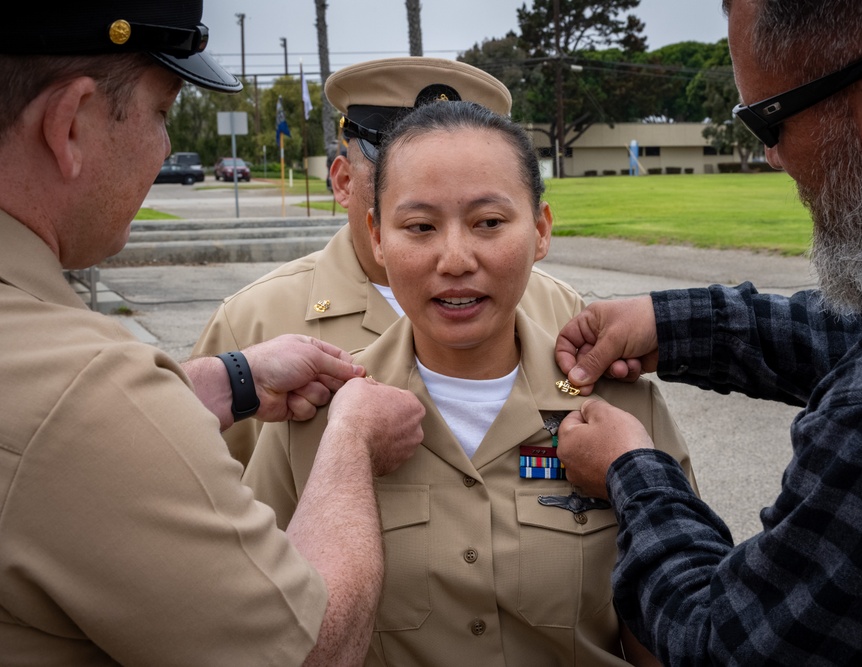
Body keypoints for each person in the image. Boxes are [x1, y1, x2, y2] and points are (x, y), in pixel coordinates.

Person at [553, 0, 862, 664]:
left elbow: (721, 643)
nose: (770, 158)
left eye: (770, 120)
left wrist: (630, 468)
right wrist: (672, 324)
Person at [0, 3, 426, 664]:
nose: (165, 146)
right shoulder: (92, 391)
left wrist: (225, 381)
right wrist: (350, 441)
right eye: (162, 113)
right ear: (71, 122)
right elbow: (311, 649)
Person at [243, 100, 697, 666]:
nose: (455, 259)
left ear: (540, 231)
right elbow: (257, 624)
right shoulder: (316, 416)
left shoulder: (623, 408)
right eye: (420, 227)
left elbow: (671, 632)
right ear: (377, 236)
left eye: (488, 222)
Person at [192, 56, 584, 468]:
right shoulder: (252, 319)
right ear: (343, 181)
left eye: (487, 220)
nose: (454, 259)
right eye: (397, 163)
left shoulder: (559, 308)